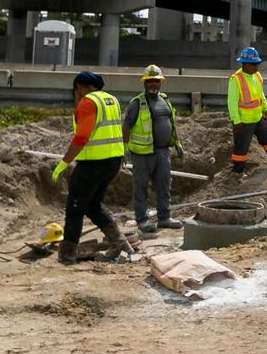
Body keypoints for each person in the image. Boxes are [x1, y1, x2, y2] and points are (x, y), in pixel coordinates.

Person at [51, 71, 133, 264]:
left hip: (93, 164)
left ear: (79, 87)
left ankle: (68, 253)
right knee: (93, 206)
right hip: (113, 161)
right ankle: (121, 244)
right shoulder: (111, 100)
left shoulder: (88, 102)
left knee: (75, 207)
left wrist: (63, 163)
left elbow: (81, 138)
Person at [122, 64, 184, 234]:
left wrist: (177, 143)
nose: (153, 84)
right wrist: (125, 149)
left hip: (163, 151)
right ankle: (142, 220)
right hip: (142, 154)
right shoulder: (137, 103)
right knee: (141, 187)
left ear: (160, 82)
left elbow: (172, 123)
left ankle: (164, 218)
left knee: (164, 185)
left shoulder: (165, 100)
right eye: (149, 81)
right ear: (144, 83)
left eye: (156, 81)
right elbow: (126, 126)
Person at [228, 46, 267, 173]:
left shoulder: (257, 76)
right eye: (253, 64)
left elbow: (261, 95)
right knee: (241, 149)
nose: (256, 67)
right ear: (244, 64)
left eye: (257, 64)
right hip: (244, 122)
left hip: (258, 118)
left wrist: (266, 108)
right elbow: (232, 102)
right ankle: (237, 172)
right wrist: (236, 121)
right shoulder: (236, 79)